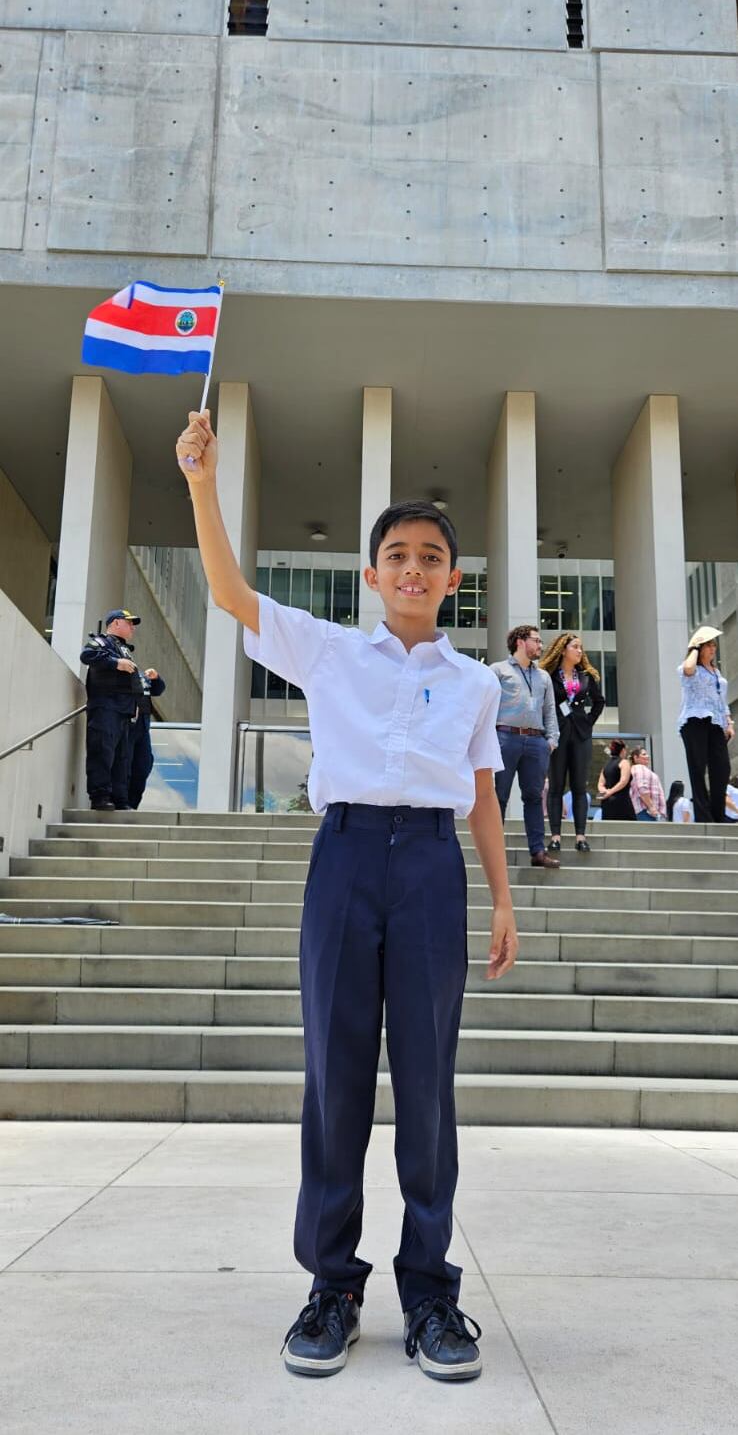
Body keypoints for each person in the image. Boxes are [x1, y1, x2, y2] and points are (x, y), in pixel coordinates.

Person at [176, 410, 518, 1384]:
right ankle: (331, 1282)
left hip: (430, 868)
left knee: (427, 1080)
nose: (414, 568)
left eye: (432, 556)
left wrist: (500, 897)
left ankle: (429, 1289)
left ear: (455, 579)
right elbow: (231, 591)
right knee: (334, 1075)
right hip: (344, 859)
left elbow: (486, 794)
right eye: (398, 554)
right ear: (373, 576)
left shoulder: (476, 684)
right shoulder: (328, 650)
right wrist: (202, 482)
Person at [490, 624, 559, 868]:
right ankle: (494, 852)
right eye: (537, 641)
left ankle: (538, 852)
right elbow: (486, 707)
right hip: (505, 738)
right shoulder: (497, 670)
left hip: (536, 742)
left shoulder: (544, 677)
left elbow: (550, 710)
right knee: (498, 796)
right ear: (520, 641)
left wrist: (551, 741)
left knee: (533, 797)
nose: (541, 645)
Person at [539, 633, 605, 853]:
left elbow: (599, 702)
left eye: (581, 647)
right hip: (557, 734)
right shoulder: (549, 676)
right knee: (556, 787)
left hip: (580, 735)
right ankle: (556, 836)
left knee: (579, 786)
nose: (580, 651)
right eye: (575, 646)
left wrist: (588, 722)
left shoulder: (586, 677)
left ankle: (580, 836)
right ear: (563, 649)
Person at [80, 608, 144, 811]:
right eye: (128, 622)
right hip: (105, 707)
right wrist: (115, 663)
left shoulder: (125, 649)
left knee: (121, 759)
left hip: (123, 712)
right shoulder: (103, 642)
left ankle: (119, 799)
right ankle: (100, 797)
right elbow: (87, 655)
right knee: (102, 753)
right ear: (115, 623)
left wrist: (134, 707)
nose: (132, 627)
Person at [678, 625, 734, 823]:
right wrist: (693, 648)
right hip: (694, 721)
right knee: (698, 768)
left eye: (714, 645)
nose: (713, 648)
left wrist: (728, 722)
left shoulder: (716, 673)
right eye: (708, 645)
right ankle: (704, 817)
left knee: (722, 768)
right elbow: (688, 669)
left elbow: (721, 700)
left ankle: (717, 814)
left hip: (716, 723)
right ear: (700, 648)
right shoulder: (690, 667)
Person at [128, 665, 166, 809]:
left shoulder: (140, 675)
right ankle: (122, 801)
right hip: (126, 724)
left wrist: (156, 678)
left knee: (143, 765)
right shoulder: (118, 672)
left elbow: (158, 689)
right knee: (124, 765)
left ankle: (132, 804)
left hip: (143, 725)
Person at [597, 739, 636, 821]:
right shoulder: (624, 762)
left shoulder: (606, 765)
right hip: (621, 801)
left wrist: (605, 792)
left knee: (609, 829)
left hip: (607, 803)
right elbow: (623, 781)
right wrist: (610, 792)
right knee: (628, 829)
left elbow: (600, 783)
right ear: (623, 750)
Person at [629, 746, 666, 822]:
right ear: (636, 757)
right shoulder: (640, 768)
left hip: (646, 812)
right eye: (644, 754)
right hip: (645, 812)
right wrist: (651, 807)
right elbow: (642, 788)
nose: (648, 756)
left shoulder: (636, 769)